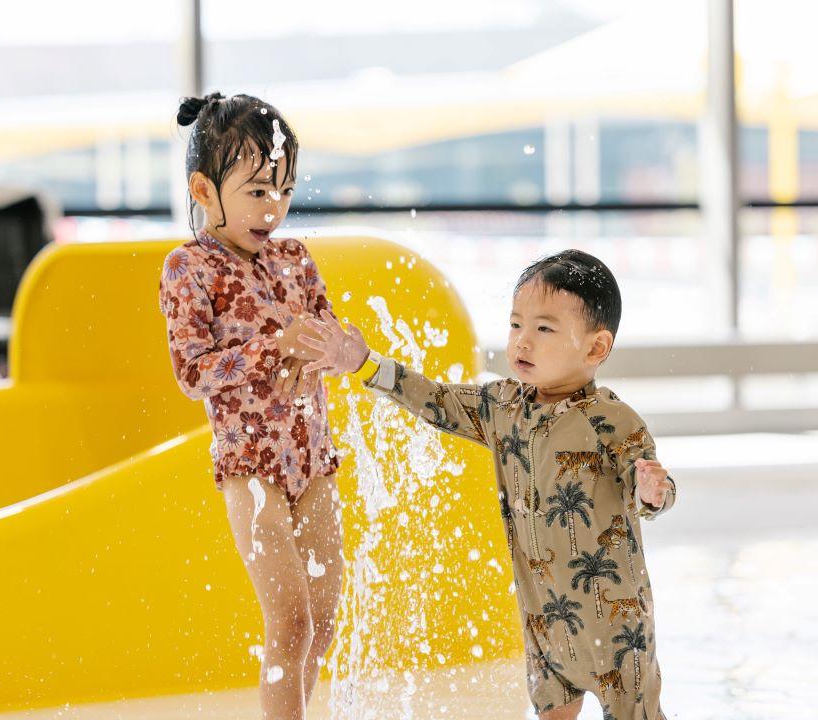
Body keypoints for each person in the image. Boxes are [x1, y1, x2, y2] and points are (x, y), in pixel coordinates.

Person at [299, 249, 676, 719]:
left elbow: (653, 489)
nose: (522, 342)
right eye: (516, 324)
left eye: (544, 329)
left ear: (596, 348)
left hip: (616, 626)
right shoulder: (502, 407)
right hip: (545, 622)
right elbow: (434, 399)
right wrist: (366, 363)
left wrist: (651, 493)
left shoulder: (613, 422)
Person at [159, 92, 342, 720]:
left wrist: (337, 347)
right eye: (259, 191)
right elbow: (192, 371)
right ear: (204, 189)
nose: (276, 208)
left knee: (322, 621)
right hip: (251, 468)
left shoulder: (295, 259)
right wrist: (274, 347)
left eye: (285, 190)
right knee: (289, 621)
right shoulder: (190, 268)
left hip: (314, 460)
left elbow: (329, 332)